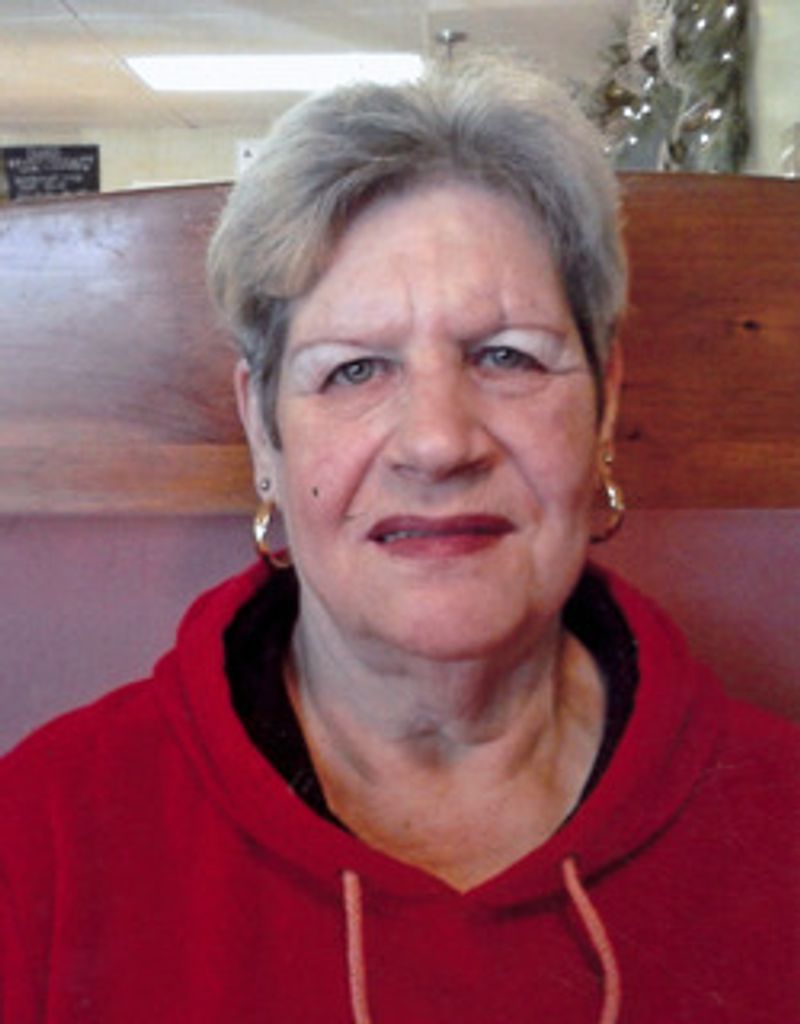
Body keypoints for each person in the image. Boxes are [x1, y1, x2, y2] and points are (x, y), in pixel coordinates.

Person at [1, 55, 797, 1024]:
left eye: (506, 356)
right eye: (354, 370)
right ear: (264, 433)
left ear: (603, 405)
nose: (437, 442)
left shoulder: (782, 822)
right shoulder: (37, 843)